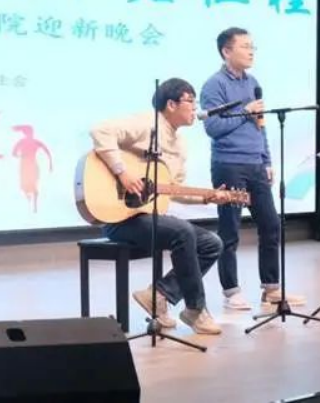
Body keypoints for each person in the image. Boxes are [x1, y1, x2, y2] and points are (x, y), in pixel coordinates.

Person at [90, 78, 231, 334]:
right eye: (190, 101)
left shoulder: (180, 145)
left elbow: (172, 188)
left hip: (146, 215)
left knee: (212, 243)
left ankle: (159, 294)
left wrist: (207, 197)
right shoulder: (147, 123)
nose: (195, 107)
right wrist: (123, 173)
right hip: (119, 218)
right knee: (182, 231)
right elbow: (100, 131)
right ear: (171, 104)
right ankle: (196, 309)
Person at [200, 28, 305, 310]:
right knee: (230, 230)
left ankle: (271, 289)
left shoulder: (253, 82)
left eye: (252, 47)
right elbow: (213, 127)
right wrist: (245, 112)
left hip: (255, 164)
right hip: (228, 164)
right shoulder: (214, 85)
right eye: (245, 46)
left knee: (271, 225)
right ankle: (231, 291)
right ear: (226, 51)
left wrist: (266, 159)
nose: (251, 52)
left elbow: (261, 125)